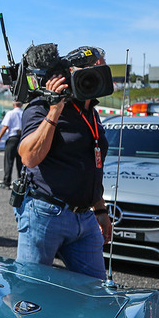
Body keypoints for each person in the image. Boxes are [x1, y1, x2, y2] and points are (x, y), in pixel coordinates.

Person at [15, 46, 111, 279]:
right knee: (31, 291)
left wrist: (100, 209)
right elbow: (29, 157)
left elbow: (90, 165)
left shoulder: (91, 112)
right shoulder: (41, 106)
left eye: (100, 69)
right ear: (69, 73)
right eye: (88, 70)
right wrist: (55, 109)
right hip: (45, 214)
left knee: (95, 293)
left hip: (85, 217)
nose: (94, 75)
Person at [0, 101, 23, 189]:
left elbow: (5, 126)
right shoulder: (24, 113)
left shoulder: (10, 113)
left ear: (13, 104)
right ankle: (21, 182)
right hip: (21, 138)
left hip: (12, 138)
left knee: (9, 161)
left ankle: (7, 182)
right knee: (20, 163)